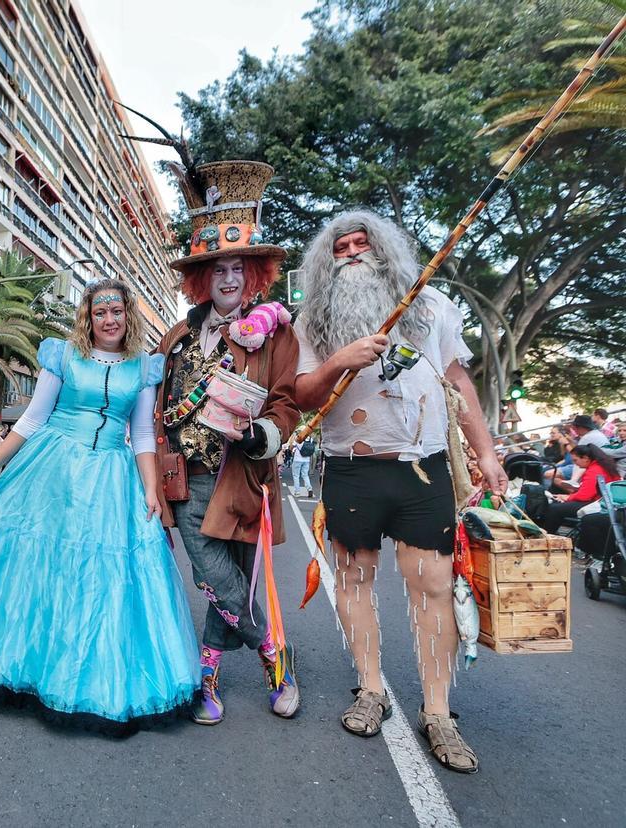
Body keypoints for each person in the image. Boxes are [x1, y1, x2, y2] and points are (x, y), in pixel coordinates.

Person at [294, 210, 509, 774]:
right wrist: (340, 359)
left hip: (423, 469)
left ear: (385, 249)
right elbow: (303, 396)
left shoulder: (432, 305)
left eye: (363, 242)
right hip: (351, 470)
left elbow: (459, 382)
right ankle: (371, 689)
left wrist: (486, 454)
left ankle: (438, 712)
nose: (353, 252)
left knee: (433, 588)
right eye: (341, 247)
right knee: (354, 582)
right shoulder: (311, 321)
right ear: (327, 260)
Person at [0, 280, 199, 729]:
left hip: (109, 476)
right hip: (53, 472)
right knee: (43, 567)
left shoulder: (144, 368)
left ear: (128, 316)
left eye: (117, 312)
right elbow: (34, 416)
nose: (109, 320)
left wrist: (149, 491)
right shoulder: (62, 355)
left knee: (99, 576)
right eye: (100, 312)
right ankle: (29, 666)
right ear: (88, 316)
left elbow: (141, 435)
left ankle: (83, 677)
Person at [152, 160, 302, 726]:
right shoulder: (177, 336)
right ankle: (274, 657)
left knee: (229, 581)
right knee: (214, 576)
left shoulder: (275, 335)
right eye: (218, 270)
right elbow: (151, 406)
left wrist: (262, 432)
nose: (229, 279)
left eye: (238, 268)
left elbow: (287, 402)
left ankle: (208, 675)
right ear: (202, 279)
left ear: (254, 273)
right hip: (188, 479)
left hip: (243, 479)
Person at [542, 445, 620, 534]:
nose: (575, 464)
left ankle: (547, 534)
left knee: (554, 509)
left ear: (586, 458)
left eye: (575, 460)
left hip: (597, 503)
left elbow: (585, 496)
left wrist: (567, 497)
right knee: (557, 506)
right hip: (602, 502)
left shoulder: (594, 470)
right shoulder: (601, 466)